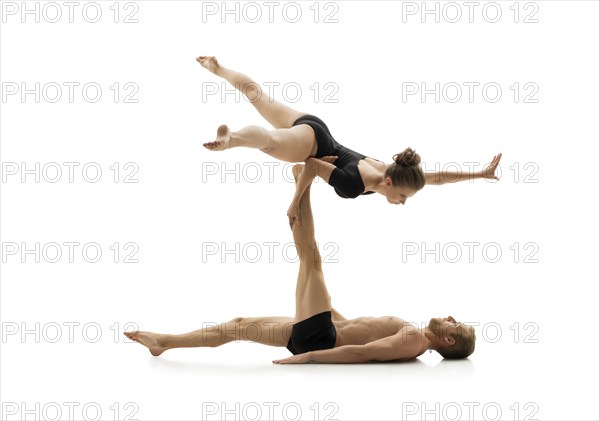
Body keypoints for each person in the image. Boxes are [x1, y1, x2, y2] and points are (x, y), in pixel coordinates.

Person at [124, 166, 475, 363]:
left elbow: (362, 352)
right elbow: (356, 327)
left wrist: (306, 359)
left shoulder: (415, 339)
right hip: (315, 331)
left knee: (312, 259)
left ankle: (300, 182)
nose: (450, 316)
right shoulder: (412, 334)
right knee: (237, 325)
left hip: (319, 337)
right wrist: (327, 307)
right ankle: (164, 342)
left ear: (446, 339)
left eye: (454, 325)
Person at [197, 56, 502, 227]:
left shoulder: (388, 169)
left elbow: (437, 179)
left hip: (316, 127)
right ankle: (232, 139)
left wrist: (480, 173)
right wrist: (294, 203)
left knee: (258, 97)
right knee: (270, 142)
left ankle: (217, 68)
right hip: (311, 143)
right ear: (391, 186)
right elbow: (313, 166)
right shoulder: (355, 185)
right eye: (405, 197)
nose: (403, 203)